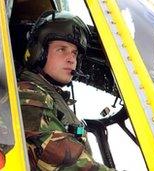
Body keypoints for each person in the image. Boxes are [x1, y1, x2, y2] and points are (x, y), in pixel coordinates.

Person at [18, 10, 114, 171]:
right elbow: (63, 161)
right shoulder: (28, 94)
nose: (71, 59)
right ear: (39, 53)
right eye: (61, 49)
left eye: (75, 53)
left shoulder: (50, 97)